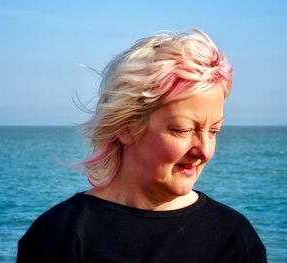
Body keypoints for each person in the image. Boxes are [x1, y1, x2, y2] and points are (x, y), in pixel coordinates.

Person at [17, 29, 267, 262]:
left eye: (214, 131)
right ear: (127, 126)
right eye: (184, 130)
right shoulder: (60, 235)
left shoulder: (235, 238)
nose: (205, 151)